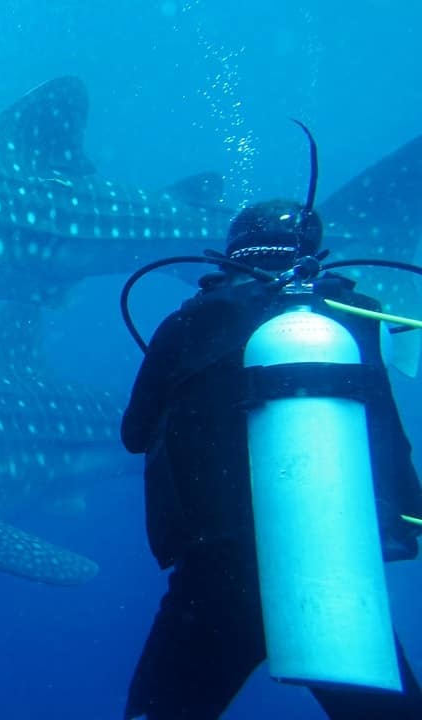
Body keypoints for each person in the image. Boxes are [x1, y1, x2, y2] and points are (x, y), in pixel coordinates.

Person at [121, 199, 422, 719]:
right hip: (335, 562)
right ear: (314, 252)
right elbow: (387, 436)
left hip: (219, 572)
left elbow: (134, 434)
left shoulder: (189, 320)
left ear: (231, 253)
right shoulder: (358, 317)